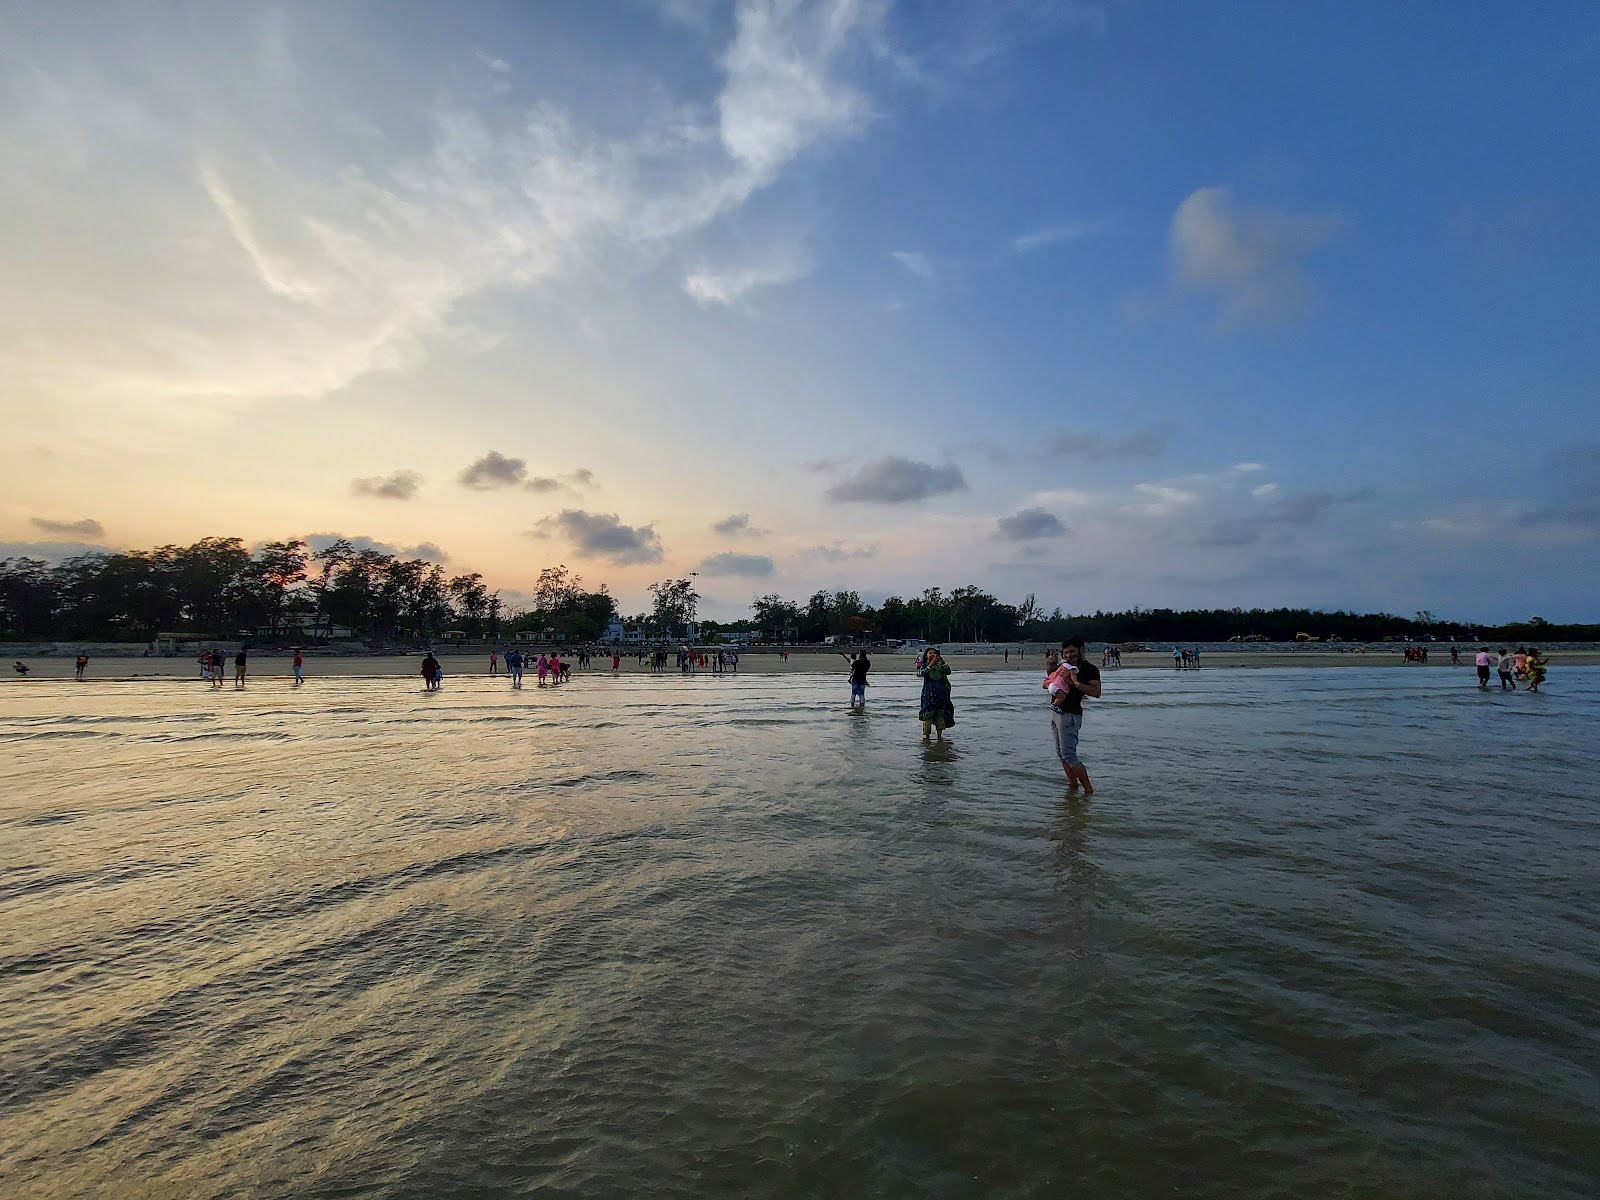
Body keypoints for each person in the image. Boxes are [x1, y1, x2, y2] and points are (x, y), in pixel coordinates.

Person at [1050, 637, 1102, 794]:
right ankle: (1072, 787)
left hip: (1071, 714)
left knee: (1069, 754)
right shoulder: (1063, 666)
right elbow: (1054, 681)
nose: (1068, 655)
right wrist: (1051, 667)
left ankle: (1088, 791)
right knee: (1061, 754)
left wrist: (1073, 682)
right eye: (1065, 652)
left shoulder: (1089, 669)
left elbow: (1096, 692)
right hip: (1056, 713)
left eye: (1072, 651)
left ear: (1081, 650)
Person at [916, 647, 954, 742]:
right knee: (927, 718)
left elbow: (948, 671)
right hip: (928, 696)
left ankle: (939, 738)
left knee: (940, 718)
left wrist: (942, 662)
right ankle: (927, 738)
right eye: (930, 653)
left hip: (940, 696)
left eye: (934, 653)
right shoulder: (925, 666)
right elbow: (924, 673)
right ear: (926, 656)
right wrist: (931, 663)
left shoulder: (940, 666)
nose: (932, 654)